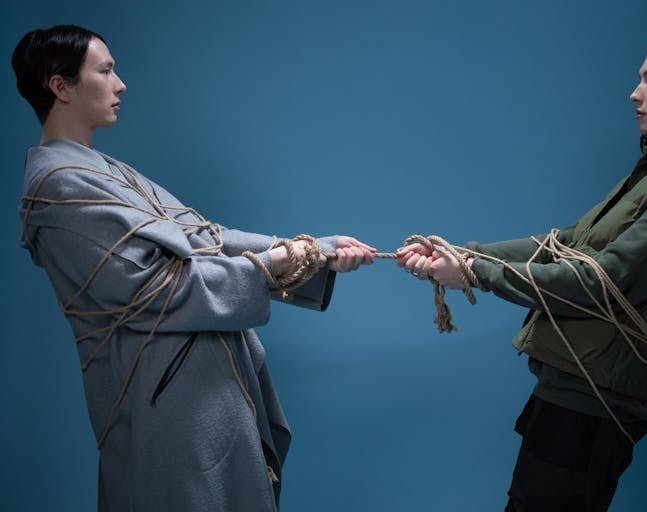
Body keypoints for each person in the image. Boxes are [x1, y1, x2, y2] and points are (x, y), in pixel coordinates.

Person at [13, 25, 376, 512]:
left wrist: (311, 249)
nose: (120, 84)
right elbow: (153, 289)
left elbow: (203, 237)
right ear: (60, 86)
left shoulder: (102, 170)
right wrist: (273, 264)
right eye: (105, 71)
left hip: (196, 388)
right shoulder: (57, 187)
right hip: (164, 402)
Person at [397, 31, 647, 511]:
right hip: (573, 386)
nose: (635, 92)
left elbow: (597, 284)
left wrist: (475, 272)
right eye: (638, 79)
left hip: (596, 400)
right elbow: (563, 245)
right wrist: (463, 253)